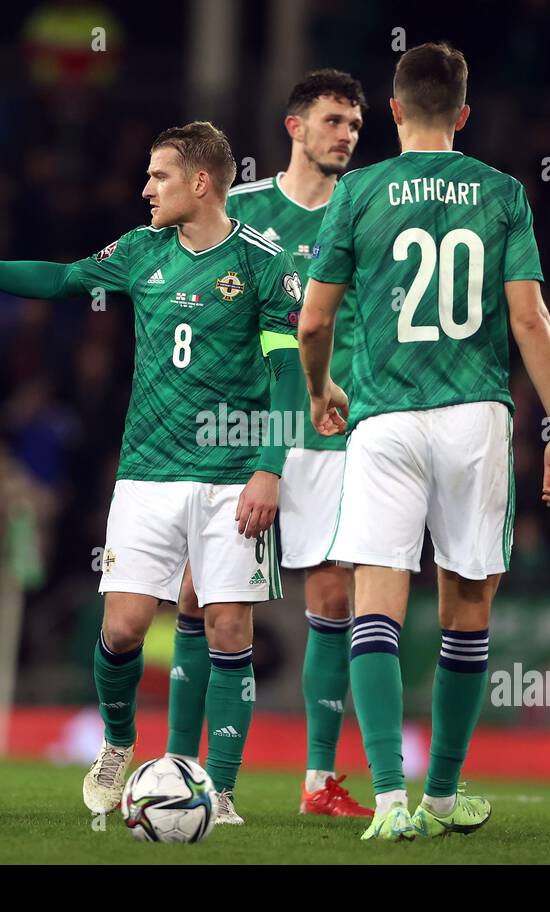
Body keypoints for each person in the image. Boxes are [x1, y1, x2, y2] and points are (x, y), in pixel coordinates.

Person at [0, 122, 306, 825]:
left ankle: (217, 790)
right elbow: (63, 278)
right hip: (147, 473)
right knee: (126, 627)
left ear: (200, 182)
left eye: (158, 175)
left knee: (229, 628)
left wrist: (271, 468)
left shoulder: (265, 263)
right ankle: (117, 743)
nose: (145, 188)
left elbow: (288, 373)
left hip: (233, 473)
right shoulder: (140, 251)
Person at [299, 42, 550, 841]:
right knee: (467, 608)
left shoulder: (358, 191)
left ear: (393, 110)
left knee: (376, 602)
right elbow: (530, 318)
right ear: (463, 114)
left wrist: (321, 390)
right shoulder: (501, 193)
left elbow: (314, 318)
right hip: (476, 416)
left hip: (384, 417)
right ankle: (445, 794)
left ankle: (389, 800)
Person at [164, 68, 374, 819]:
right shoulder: (239, 208)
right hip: (240, 429)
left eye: (353, 123)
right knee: (200, 595)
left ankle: (319, 781)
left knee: (333, 594)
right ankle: (181, 770)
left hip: (327, 432)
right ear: (294, 127)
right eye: (332, 121)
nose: (345, 134)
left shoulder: (363, 214)